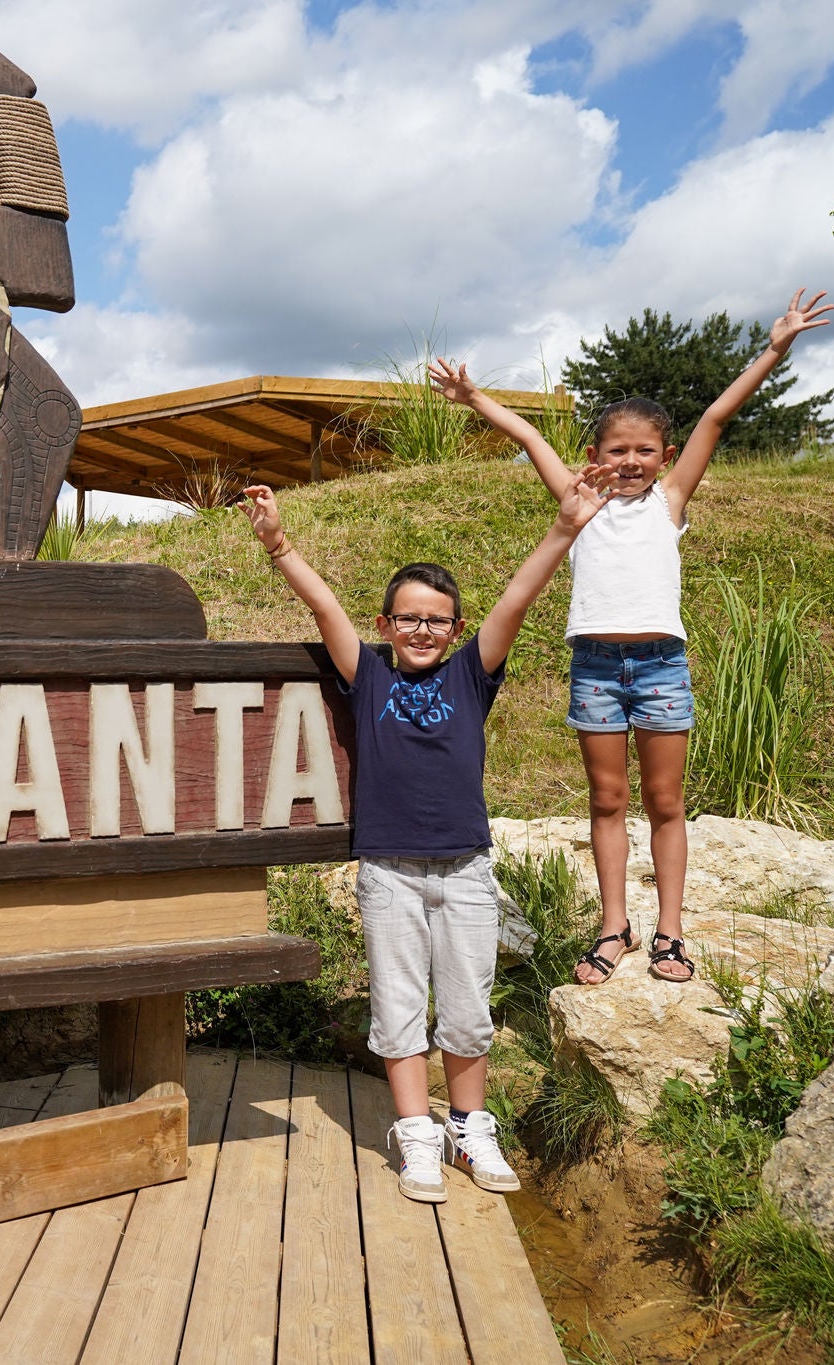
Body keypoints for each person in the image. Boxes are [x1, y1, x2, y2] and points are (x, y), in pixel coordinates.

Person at [429, 288, 834, 987]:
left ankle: (670, 931)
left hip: (660, 665)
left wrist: (775, 348)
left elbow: (716, 414)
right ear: (596, 454)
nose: (631, 460)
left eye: (645, 450)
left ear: (665, 455)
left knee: (666, 802)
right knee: (607, 801)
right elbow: (528, 436)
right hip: (594, 665)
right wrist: (473, 398)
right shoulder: (577, 500)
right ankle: (613, 925)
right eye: (618, 449)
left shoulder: (670, 502)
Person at [242, 468, 612, 1202]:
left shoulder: (472, 675)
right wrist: (279, 544)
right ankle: (417, 1132)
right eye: (406, 618)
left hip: (466, 871)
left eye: (436, 619)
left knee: (469, 1008)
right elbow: (323, 608)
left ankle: (470, 1127)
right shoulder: (370, 677)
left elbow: (517, 598)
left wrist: (566, 529)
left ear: (454, 628)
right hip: (389, 870)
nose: (420, 630)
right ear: (384, 626)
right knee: (399, 1004)